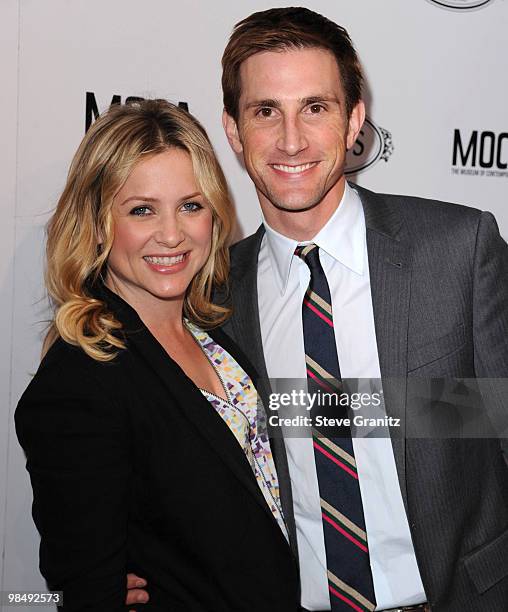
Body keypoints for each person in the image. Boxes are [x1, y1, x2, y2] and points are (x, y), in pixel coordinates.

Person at [127, 7, 508, 612]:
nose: (291, 141)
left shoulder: (458, 250)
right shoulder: (209, 296)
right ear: (232, 130)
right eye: (265, 112)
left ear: (355, 119)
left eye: (316, 107)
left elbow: (498, 415)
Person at [15, 99, 299, 611]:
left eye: (191, 205)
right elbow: (82, 590)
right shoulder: (80, 381)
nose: (172, 234)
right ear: (99, 223)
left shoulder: (217, 336)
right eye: (142, 209)